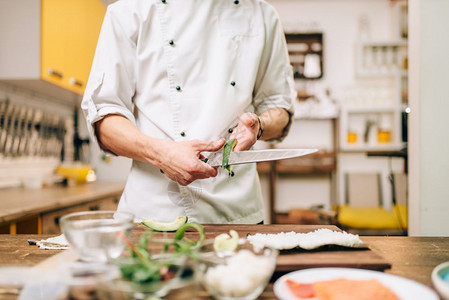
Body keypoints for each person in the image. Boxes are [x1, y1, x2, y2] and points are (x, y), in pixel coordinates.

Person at [81, 0, 295, 224]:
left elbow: (279, 108)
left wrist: (259, 126)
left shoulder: (262, 15)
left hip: (239, 213)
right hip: (155, 211)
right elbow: (105, 120)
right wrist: (162, 154)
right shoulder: (130, 11)